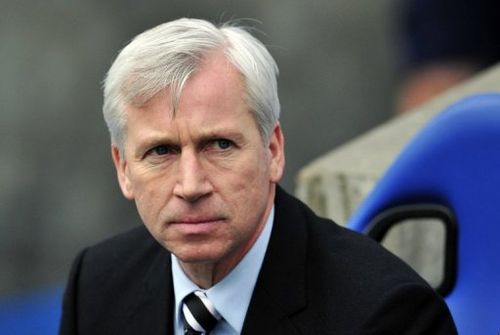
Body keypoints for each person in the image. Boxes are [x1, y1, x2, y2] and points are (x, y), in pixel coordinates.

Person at [59, 18, 457, 334]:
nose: (191, 185)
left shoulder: (387, 316)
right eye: (161, 151)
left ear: (273, 150)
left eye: (219, 145)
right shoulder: (96, 284)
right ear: (123, 169)